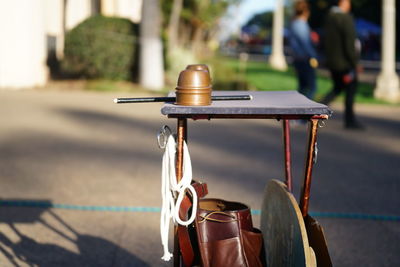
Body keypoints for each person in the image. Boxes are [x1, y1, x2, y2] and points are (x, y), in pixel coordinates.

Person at [322, 0, 364, 129]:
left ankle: (317, 109)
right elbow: (349, 43)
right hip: (345, 63)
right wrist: (354, 62)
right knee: (350, 89)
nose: (350, 5)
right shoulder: (345, 18)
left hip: (333, 61)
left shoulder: (329, 18)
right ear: (343, 3)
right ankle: (350, 120)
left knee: (337, 88)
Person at [289, 0, 318, 100]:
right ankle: (305, 113)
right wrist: (314, 56)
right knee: (311, 88)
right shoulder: (300, 24)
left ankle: (298, 113)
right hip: (304, 59)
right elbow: (305, 43)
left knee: (302, 88)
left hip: (299, 59)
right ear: (306, 11)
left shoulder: (294, 23)